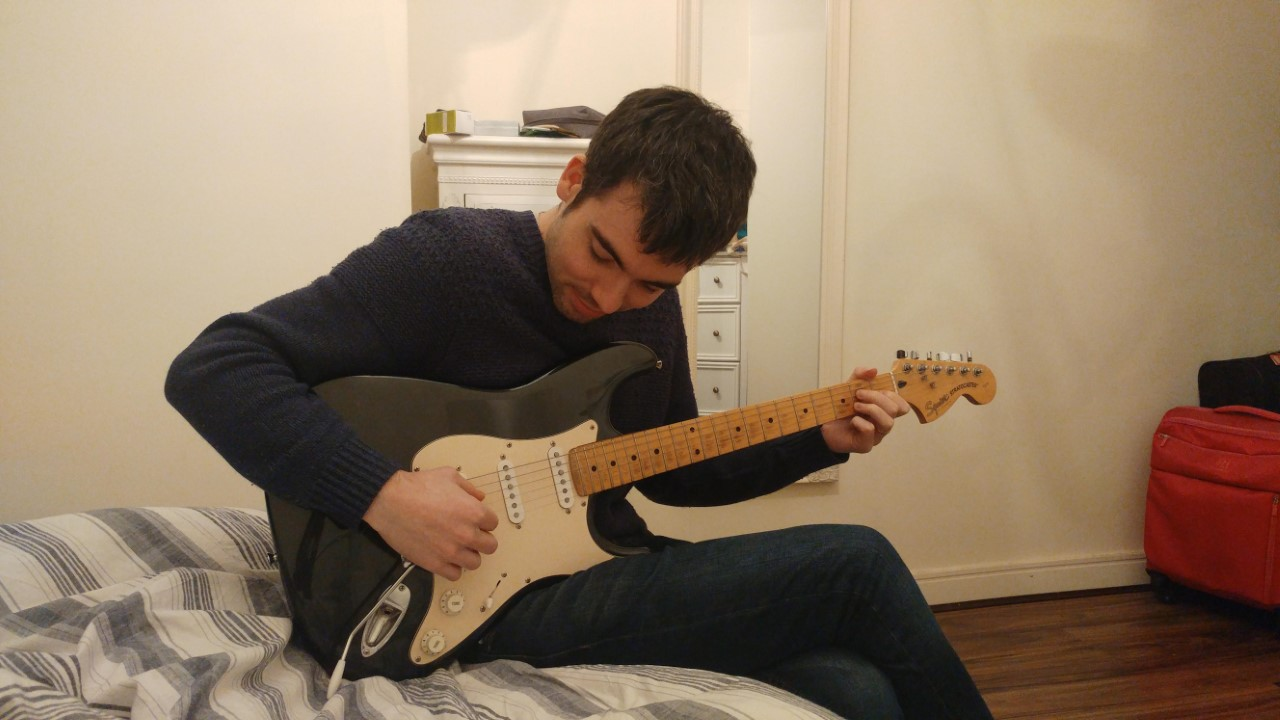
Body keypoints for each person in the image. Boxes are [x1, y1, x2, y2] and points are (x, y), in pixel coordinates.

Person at [166, 86, 993, 719]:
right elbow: (216, 366)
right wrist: (382, 493)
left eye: (651, 284)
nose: (610, 297)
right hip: (482, 602)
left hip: (597, 566)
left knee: (856, 691)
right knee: (856, 563)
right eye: (602, 253)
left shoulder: (648, 314)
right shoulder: (443, 263)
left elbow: (673, 469)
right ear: (573, 179)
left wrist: (819, 439)